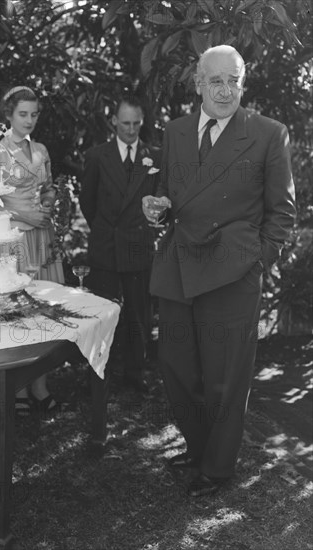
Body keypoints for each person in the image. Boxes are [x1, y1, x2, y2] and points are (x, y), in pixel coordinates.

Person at [142, 45, 296, 496]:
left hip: (233, 272)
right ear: (198, 85)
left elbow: (282, 212)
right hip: (178, 266)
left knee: (226, 377)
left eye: (234, 80)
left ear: (243, 82)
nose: (226, 90)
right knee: (177, 367)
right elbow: (171, 193)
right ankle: (198, 444)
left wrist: (257, 262)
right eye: (216, 81)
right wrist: (157, 208)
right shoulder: (175, 132)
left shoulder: (269, 133)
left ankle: (217, 467)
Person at [0, 86, 64, 414]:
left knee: (44, 310)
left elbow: (48, 185)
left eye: (34, 114)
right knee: (17, 313)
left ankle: (40, 387)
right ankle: (14, 388)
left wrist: (48, 202)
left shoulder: (40, 149)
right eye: (22, 114)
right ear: (9, 115)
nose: (29, 120)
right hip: (13, 241)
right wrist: (23, 214)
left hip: (43, 237)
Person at [79, 94, 161, 394]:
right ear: (113, 120)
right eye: (125, 123)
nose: (130, 129)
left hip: (138, 245)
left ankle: (135, 374)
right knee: (102, 314)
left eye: (136, 123)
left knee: (138, 313)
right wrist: (105, 230)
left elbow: (159, 203)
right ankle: (99, 374)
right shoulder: (97, 156)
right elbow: (88, 202)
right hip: (107, 246)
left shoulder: (154, 157)